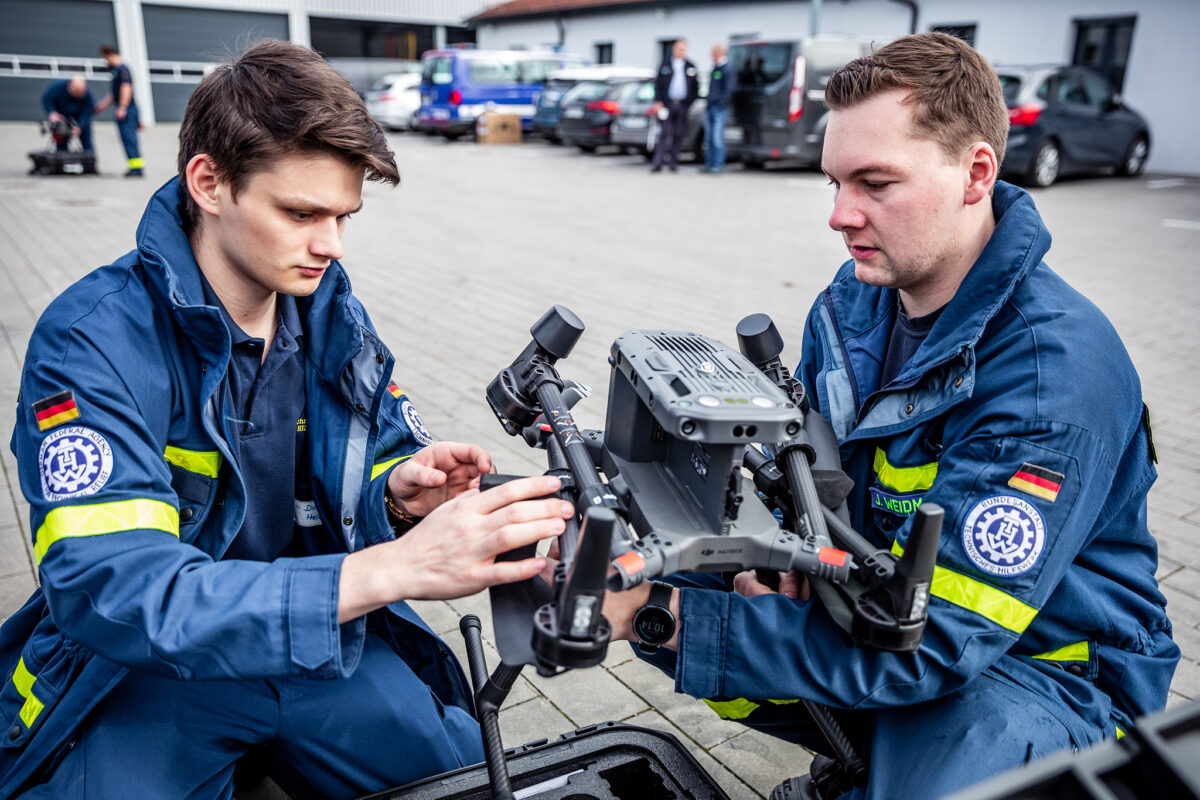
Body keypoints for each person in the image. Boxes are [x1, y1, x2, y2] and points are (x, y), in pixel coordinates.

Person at [594, 32, 1178, 799]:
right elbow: (799, 473)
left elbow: (936, 641)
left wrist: (653, 612)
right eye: (834, 181)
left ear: (976, 174)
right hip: (880, 603)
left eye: (875, 183)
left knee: (684, 625)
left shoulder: (1051, 381)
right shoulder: (854, 301)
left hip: (1041, 673)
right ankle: (869, 756)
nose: (840, 215)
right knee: (695, 590)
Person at [0, 39, 572, 799]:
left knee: (476, 784)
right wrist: (391, 568)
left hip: (319, 645)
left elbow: (365, 457)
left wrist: (394, 493)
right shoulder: (90, 344)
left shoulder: (333, 316)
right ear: (208, 182)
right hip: (141, 672)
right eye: (301, 212)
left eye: (344, 216)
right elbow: (113, 588)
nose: (330, 246)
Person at [94, 44, 144, 177]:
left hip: (127, 109)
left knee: (129, 139)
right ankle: (134, 167)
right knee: (127, 139)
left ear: (110, 55)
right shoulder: (117, 70)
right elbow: (114, 92)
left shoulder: (123, 70)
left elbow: (126, 88)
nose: (105, 61)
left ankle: (137, 169)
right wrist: (104, 104)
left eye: (105, 58)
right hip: (126, 108)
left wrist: (122, 108)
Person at [650, 38, 699, 173]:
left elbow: (695, 87)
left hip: (682, 105)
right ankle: (658, 162)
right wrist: (658, 101)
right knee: (664, 133)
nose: (681, 51)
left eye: (684, 49)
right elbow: (658, 84)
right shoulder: (665, 65)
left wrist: (690, 102)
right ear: (674, 49)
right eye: (679, 48)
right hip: (667, 105)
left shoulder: (690, 66)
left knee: (679, 134)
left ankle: (673, 162)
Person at [702, 43, 734, 174]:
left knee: (717, 138)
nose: (710, 55)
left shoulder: (727, 69)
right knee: (708, 138)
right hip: (710, 107)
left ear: (719, 52)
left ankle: (718, 165)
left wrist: (720, 103)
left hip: (719, 109)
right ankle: (709, 164)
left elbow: (729, 90)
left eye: (712, 52)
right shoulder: (715, 68)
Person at [40, 75, 95, 152]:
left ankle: (89, 160)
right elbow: (46, 100)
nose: (77, 96)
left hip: (80, 118)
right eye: (76, 93)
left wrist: (79, 127)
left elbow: (88, 112)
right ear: (70, 86)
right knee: (61, 144)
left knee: (87, 143)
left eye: (80, 94)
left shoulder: (88, 95)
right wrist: (52, 112)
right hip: (62, 118)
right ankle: (61, 159)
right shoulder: (56, 87)